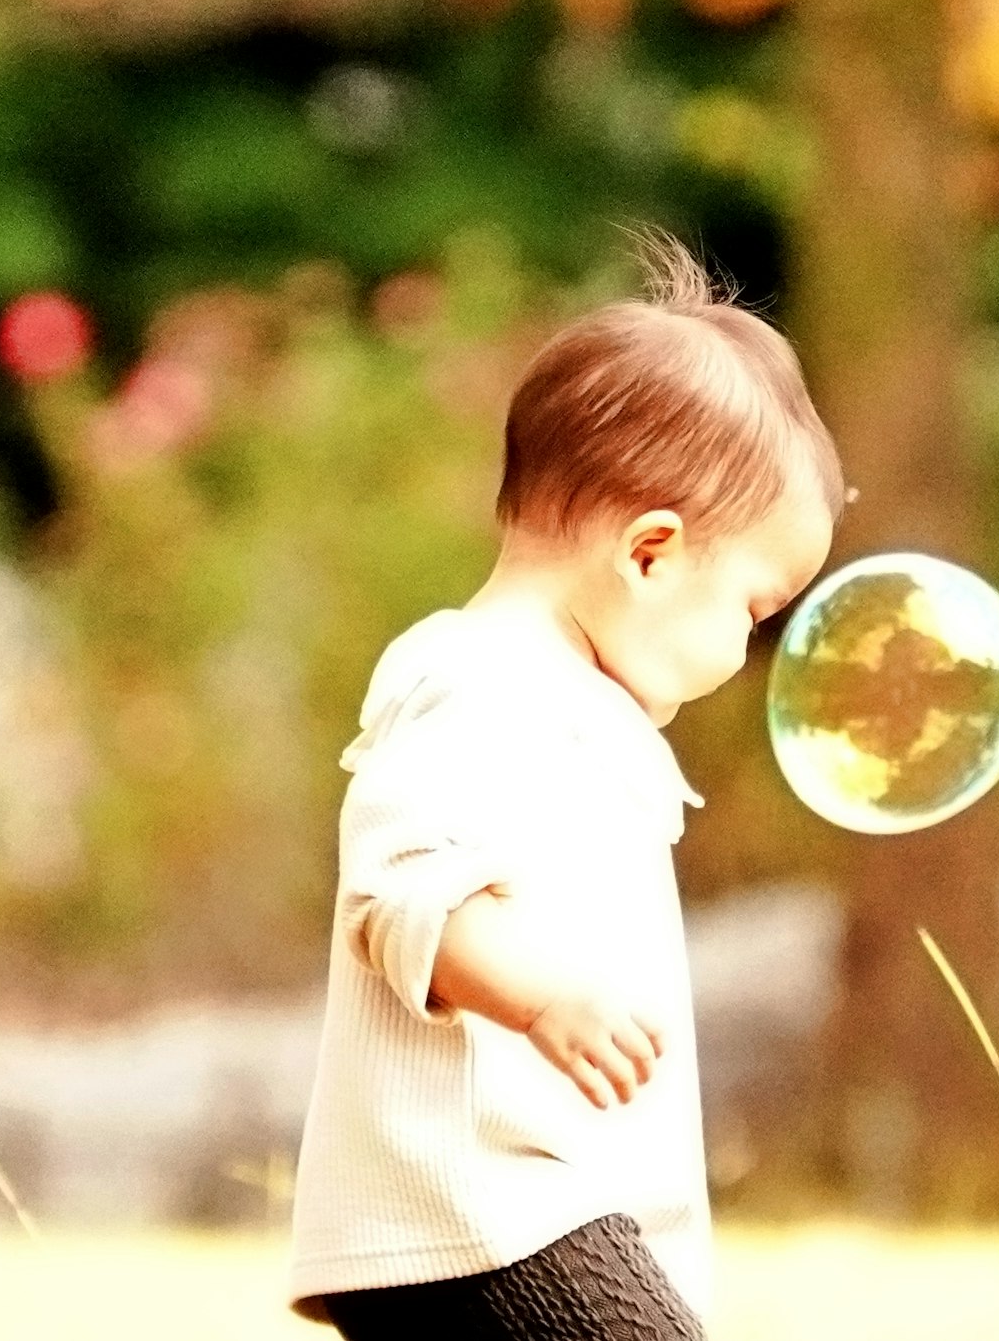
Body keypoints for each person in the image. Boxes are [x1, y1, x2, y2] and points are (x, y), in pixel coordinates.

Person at [288, 236, 847, 1339]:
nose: (749, 647)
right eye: (751, 608)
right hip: (490, 1206)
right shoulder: (480, 677)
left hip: (537, 1205)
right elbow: (400, 890)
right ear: (649, 554)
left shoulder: (572, 696)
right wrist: (541, 998)